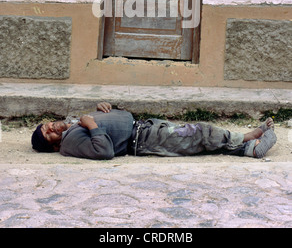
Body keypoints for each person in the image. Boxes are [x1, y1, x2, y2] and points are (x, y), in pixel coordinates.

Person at [31, 102, 277, 160]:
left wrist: (105, 108)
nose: (51, 127)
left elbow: (104, 128)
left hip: (145, 127)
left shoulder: (74, 126)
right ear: (54, 145)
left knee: (194, 141)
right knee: (198, 132)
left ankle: (247, 149)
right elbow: (104, 151)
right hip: (142, 139)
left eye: (47, 125)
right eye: (48, 134)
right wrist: (92, 124)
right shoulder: (69, 144)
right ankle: (248, 139)